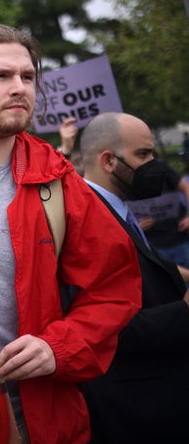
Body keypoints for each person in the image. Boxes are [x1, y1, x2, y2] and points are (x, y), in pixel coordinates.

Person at [0, 22, 142, 443]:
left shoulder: (59, 183)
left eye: (27, 77)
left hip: (31, 415)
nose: (19, 88)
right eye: (0, 76)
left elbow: (115, 286)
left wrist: (58, 347)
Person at [79, 112, 189, 443]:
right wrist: (184, 310)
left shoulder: (118, 207)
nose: (154, 164)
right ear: (109, 161)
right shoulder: (85, 216)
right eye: (143, 155)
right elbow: (101, 329)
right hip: (134, 410)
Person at [131, 158, 189, 269]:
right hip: (152, 245)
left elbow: (186, 187)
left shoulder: (160, 167)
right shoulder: (124, 174)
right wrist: (136, 228)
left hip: (180, 236)